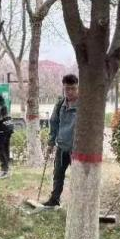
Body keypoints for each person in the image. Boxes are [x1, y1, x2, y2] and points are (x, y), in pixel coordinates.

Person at [42, 74, 79, 207]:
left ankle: (77, 202)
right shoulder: (60, 104)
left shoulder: (83, 105)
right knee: (58, 174)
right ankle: (54, 200)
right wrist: (50, 144)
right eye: (67, 89)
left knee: (78, 177)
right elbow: (54, 123)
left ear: (78, 88)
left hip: (77, 149)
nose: (69, 92)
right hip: (62, 147)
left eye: (73, 88)